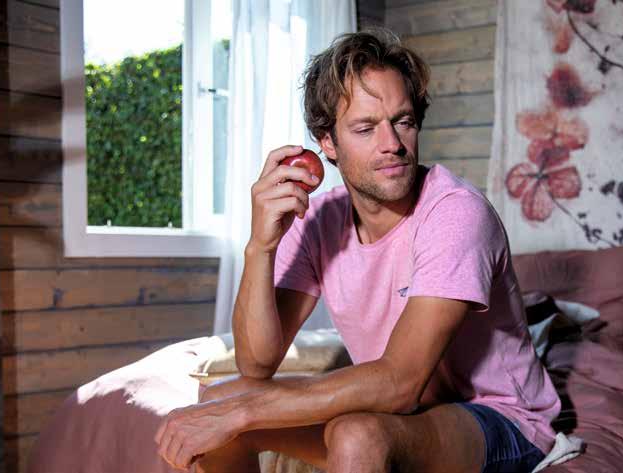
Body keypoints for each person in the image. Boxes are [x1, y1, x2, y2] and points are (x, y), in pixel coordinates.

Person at [155, 28, 561, 473]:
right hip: (401, 409)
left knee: (355, 434)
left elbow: (400, 382)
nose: (393, 144)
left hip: (500, 418)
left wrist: (247, 411)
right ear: (327, 142)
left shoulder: (456, 212)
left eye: (403, 122)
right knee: (216, 402)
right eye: (366, 128)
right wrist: (260, 246)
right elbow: (256, 363)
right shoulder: (318, 221)